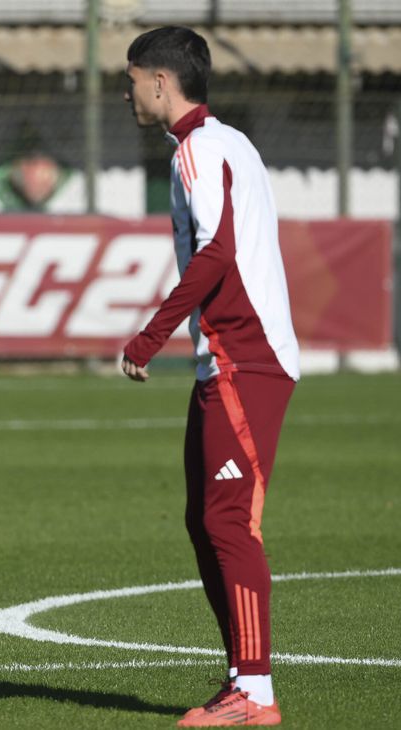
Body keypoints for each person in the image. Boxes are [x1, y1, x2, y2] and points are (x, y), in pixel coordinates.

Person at [120, 27, 299, 727]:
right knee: (207, 521)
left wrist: (150, 335)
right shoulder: (225, 142)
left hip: (243, 357)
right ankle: (241, 678)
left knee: (228, 521)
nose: (128, 93)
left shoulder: (200, 148)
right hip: (228, 358)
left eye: (132, 80)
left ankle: (255, 692)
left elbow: (217, 252)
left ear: (160, 82)